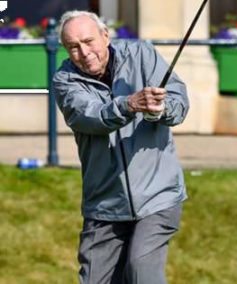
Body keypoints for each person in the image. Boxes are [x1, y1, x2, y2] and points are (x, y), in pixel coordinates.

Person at [53, 10, 189, 284]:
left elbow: (179, 103)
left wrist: (161, 109)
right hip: (104, 204)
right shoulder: (65, 81)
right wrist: (130, 104)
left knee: (141, 271)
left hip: (157, 195)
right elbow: (91, 116)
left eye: (89, 41)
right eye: (73, 47)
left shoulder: (142, 55)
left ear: (105, 36)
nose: (84, 52)